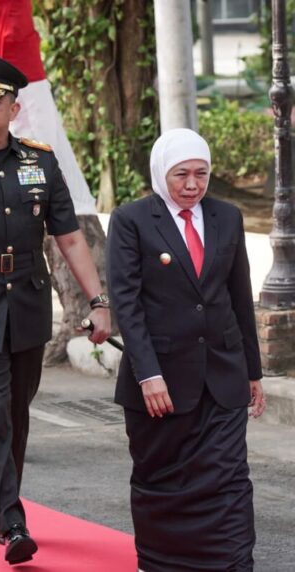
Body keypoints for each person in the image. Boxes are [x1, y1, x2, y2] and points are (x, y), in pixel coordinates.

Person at [0, 53, 111, 565]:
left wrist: (98, 302)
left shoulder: (41, 161)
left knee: (16, 413)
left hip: (28, 307)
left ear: (14, 108)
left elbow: (69, 238)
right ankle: (12, 521)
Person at [106, 128, 266, 572]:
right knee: (162, 478)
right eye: (182, 175)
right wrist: (148, 374)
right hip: (160, 383)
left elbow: (240, 296)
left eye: (202, 174)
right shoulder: (132, 220)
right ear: (162, 173)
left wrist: (253, 371)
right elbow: (127, 304)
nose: (193, 185)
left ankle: (233, 563)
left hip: (222, 374)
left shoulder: (227, 217)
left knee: (229, 480)